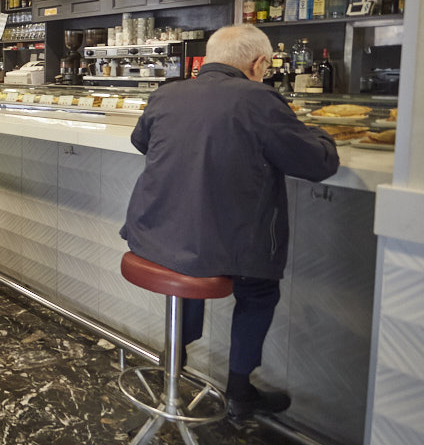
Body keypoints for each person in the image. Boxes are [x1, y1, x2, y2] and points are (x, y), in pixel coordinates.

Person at [120, 24, 339, 419]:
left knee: (188, 260)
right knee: (257, 290)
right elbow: (318, 163)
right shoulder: (260, 99)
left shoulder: (167, 92)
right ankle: (239, 390)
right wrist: (320, 133)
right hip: (218, 244)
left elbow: (141, 142)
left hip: (152, 233)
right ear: (259, 63)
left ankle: (173, 360)